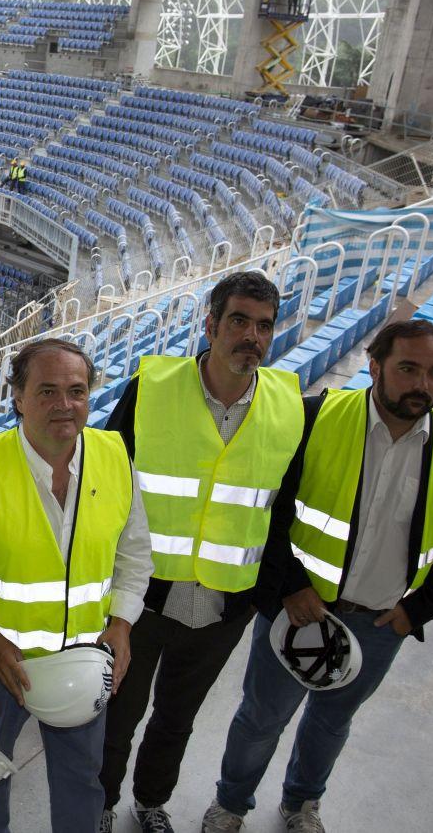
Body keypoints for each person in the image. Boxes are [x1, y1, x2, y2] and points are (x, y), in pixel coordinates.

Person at [203, 319, 433, 833]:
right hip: (296, 610)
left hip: (380, 625)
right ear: (375, 366)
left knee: (332, 722)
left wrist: (416, 611)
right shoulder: (315, 417)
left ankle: (301, 804)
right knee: (262, 718)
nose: (422, 384)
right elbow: (265, 509)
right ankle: (231, 803)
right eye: (408, 369)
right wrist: (288, 586)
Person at [98, 271, 304, 833]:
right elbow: (107, 482)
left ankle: (151, 801)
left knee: (177, 719)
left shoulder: (290, 407)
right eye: (238, 320)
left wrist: (284, 587)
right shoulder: (153, 388)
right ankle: (101, 805)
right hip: (142, 600)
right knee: (118, 714)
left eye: (264, 325)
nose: (251, 337)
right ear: (210, 325)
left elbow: (281, 509)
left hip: (224, 606)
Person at [0, 338, 153, 833]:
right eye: (47, 391)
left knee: (81, 782)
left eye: (76, 391)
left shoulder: (115, 456)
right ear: (17, 398)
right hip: (3, 665)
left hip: (85, 661)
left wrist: (123, 624)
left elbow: (133, 552)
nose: (64, 405)